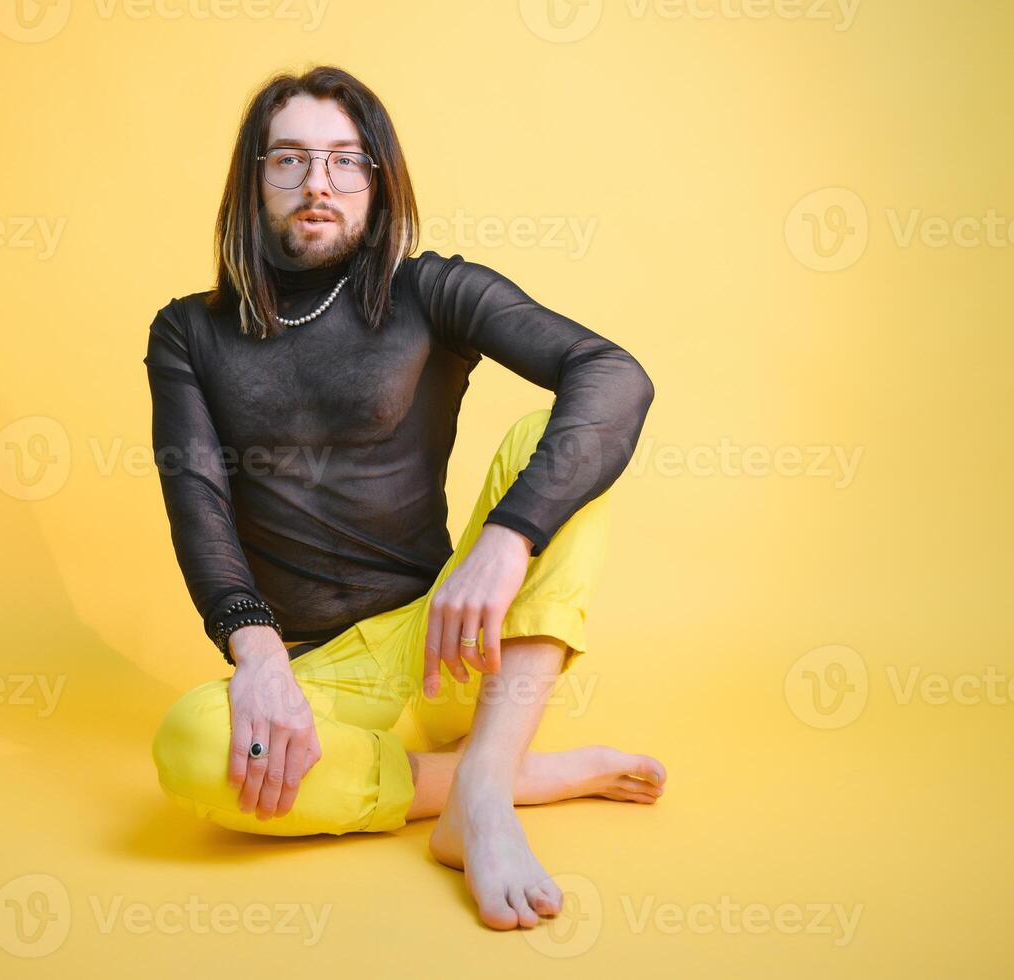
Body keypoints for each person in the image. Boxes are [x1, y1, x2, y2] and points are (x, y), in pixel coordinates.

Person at [145, 64, 667, 932]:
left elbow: (613, 377)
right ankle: (503, 779)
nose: (319, 183)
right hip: (319, 674)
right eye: (291, 160)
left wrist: (507, 538)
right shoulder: (187, 330)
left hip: (452, 643)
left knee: (566, 447)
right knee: (190, 745)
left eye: (347, 162)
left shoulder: (429, 289)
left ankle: (481, 801)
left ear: (378, 181)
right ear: (252, 178)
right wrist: (260, 662)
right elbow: (194, 494)